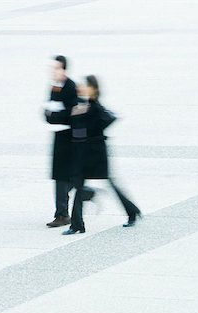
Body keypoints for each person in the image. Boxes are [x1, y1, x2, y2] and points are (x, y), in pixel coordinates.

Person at [62, 75, 141, 235]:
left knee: (108, 183)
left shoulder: (95, 107)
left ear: (93, 89)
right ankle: (77, 225)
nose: (82, 87)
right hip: (86, 153)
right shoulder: (84, 106)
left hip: (96, 154)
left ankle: (132, 211)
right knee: (79, 185)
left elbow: (107, 119)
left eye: (85, 85)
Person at [44, 55, 78, 227]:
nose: (53, 71)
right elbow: (48, 111)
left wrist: (55, 116)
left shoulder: (71, 87)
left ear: (64, 69)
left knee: (62, 176)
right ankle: (64, 211)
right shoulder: (54, 87)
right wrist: (51, 116)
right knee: (60, 176)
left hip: (69, 138)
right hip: (58, 136)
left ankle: (63, 214)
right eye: (52, 68)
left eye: (56, 68)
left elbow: (72, 113)